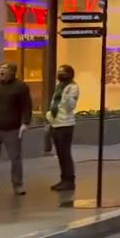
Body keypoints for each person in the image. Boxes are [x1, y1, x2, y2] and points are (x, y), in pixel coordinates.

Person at [0, 62, 32, 196]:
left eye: (4, 69)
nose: (1, 71)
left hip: (13, 129)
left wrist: (25, 123)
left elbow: (27, 106)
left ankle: (18, 185)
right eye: (1, 68)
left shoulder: (21, 87)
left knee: (15, 158)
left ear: (12, 72)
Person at [45, 64, 79, 192]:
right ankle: (63, 179)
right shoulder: (59, 87)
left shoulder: (73, 88)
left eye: (63, 72)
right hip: (55, 123)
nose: (60, 74)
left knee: (65, 153)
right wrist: (49, 116)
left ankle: (69, 180)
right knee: (59, 153)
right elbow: (54, 104)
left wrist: (66, 97)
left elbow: (70, 106)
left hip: (66, 124)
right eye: (59, 71)